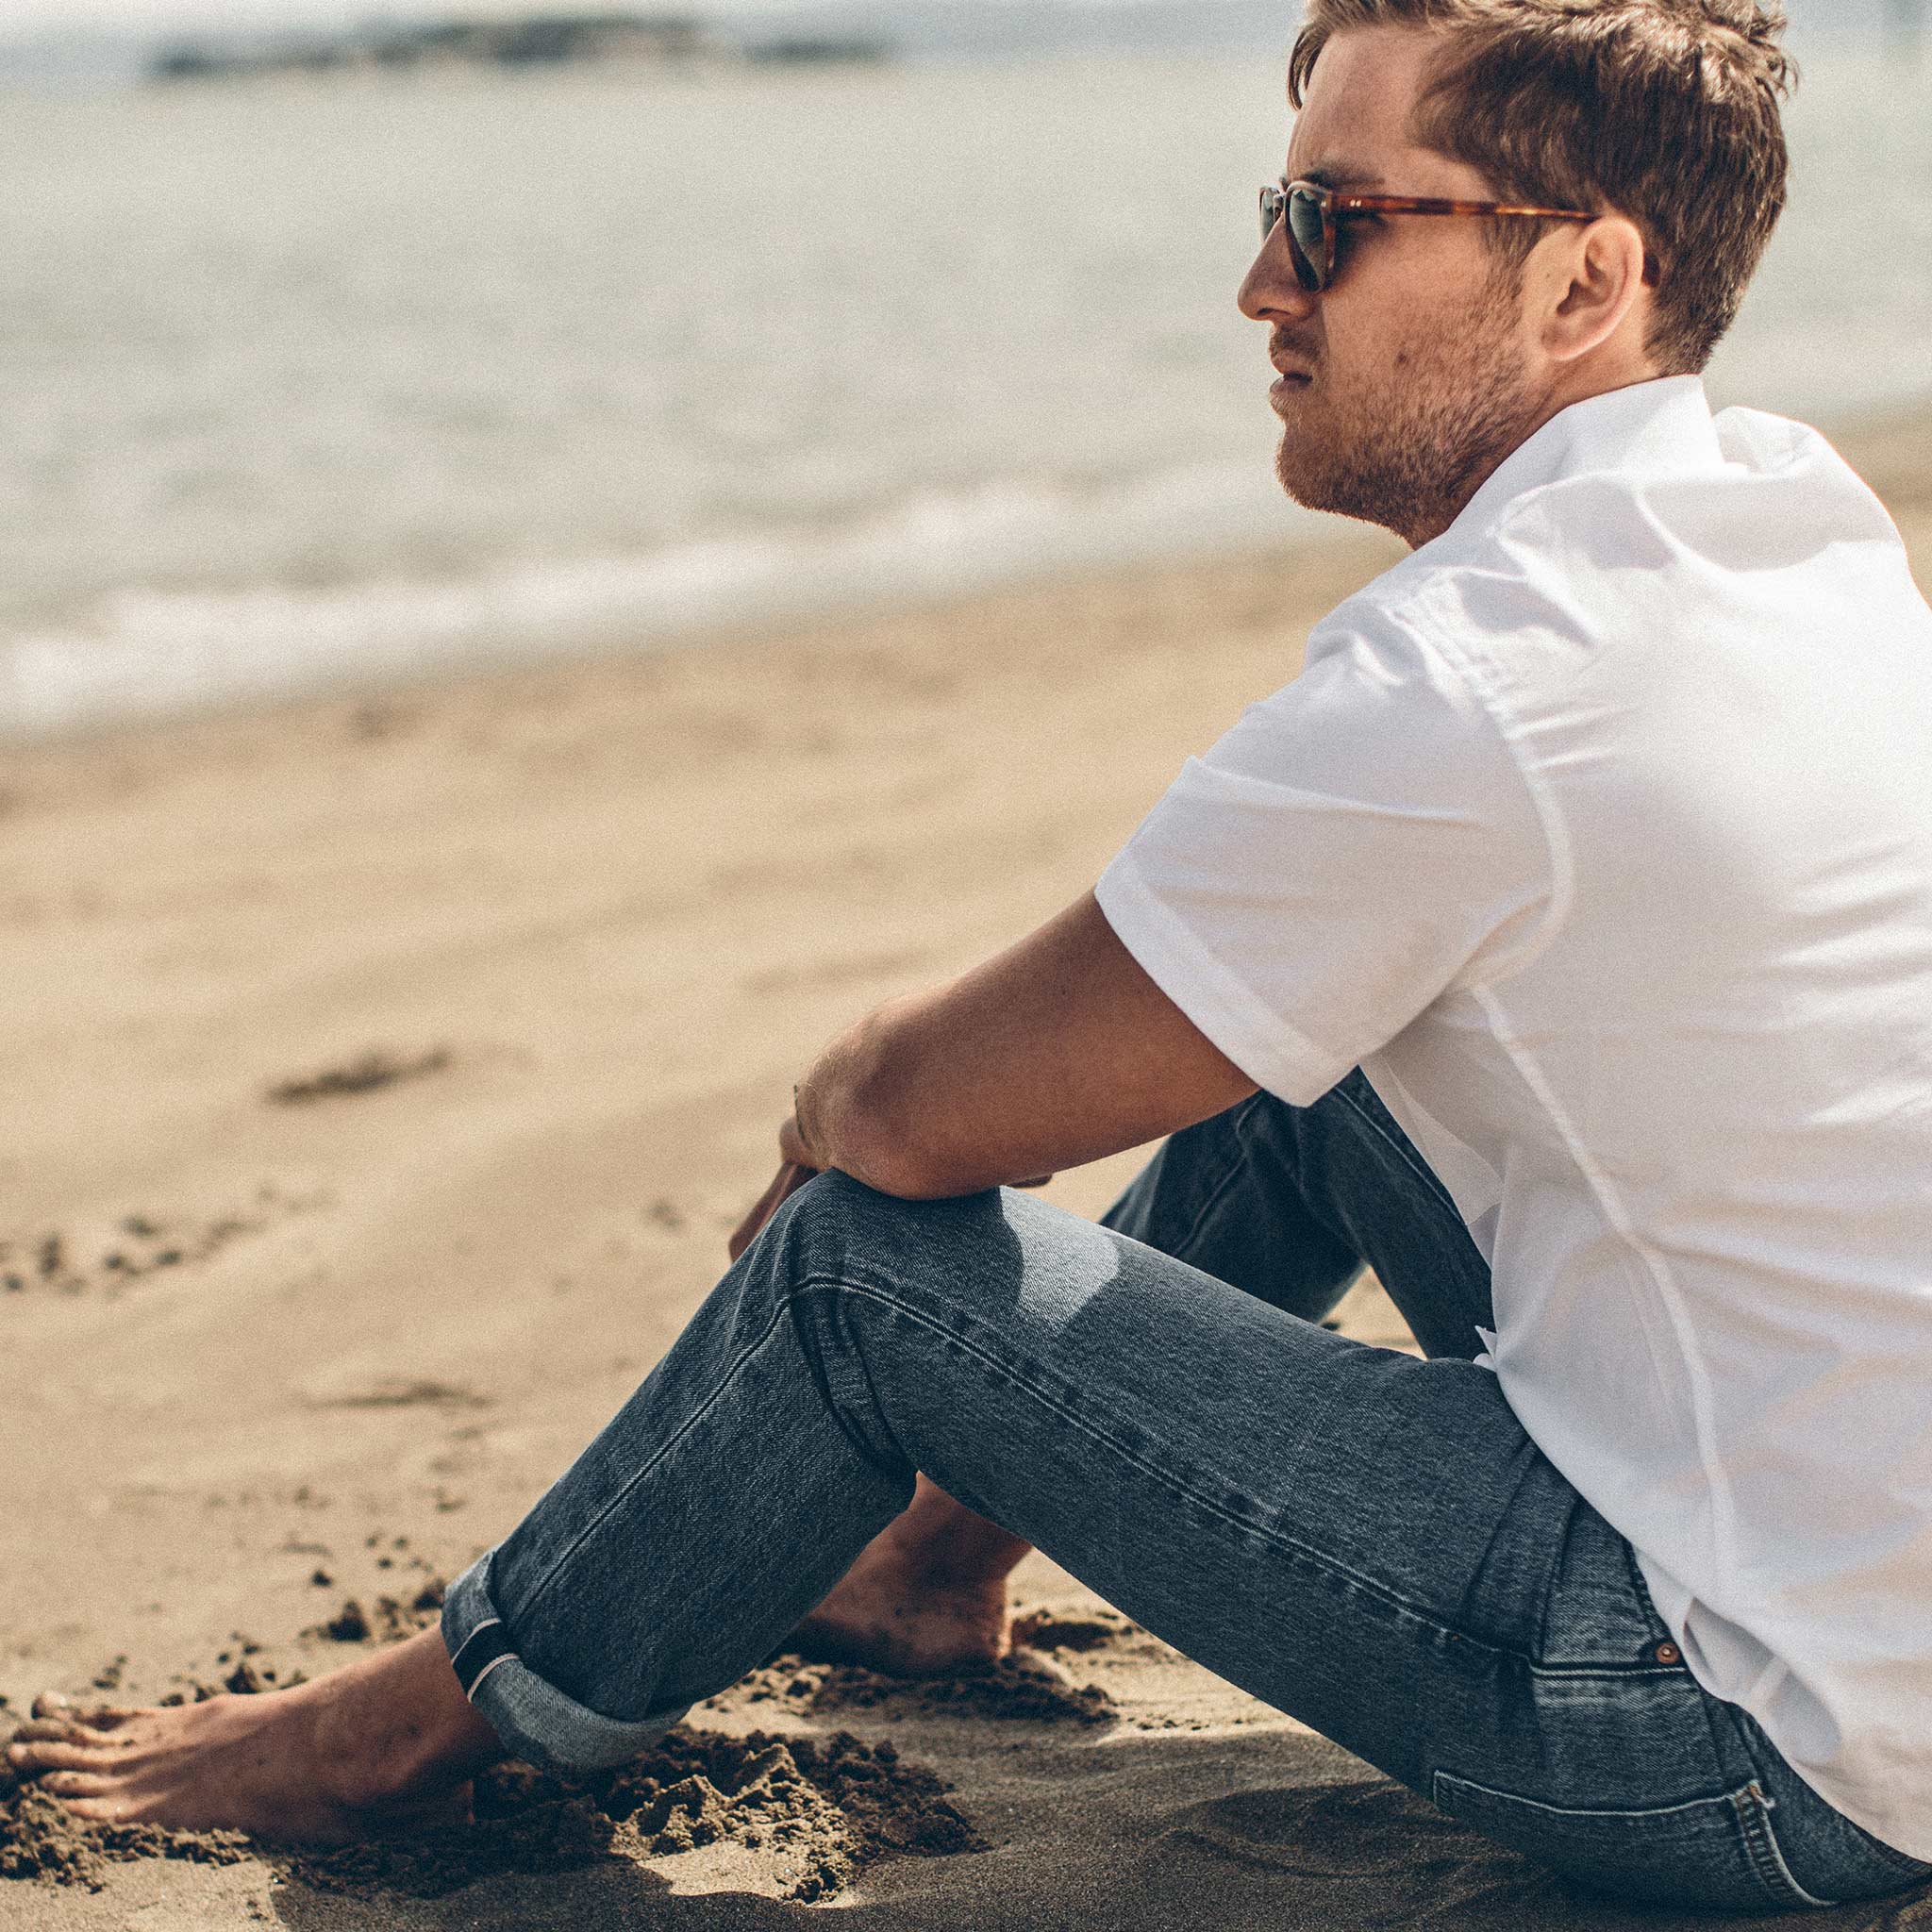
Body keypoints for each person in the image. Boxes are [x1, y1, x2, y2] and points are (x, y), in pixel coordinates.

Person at [12, 0, 1932, 1911]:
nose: (1264, 282)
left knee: (864, 1272)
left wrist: (835, 1103)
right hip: (1861, 1622)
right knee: (1319, 1043)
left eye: (1335, 221)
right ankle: (931, 1559)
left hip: (1746, 1738)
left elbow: (914, 1119)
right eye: (1280, 208)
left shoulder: (1484, 679)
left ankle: (412, 1724)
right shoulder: (1783, 522)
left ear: (1584, 275)